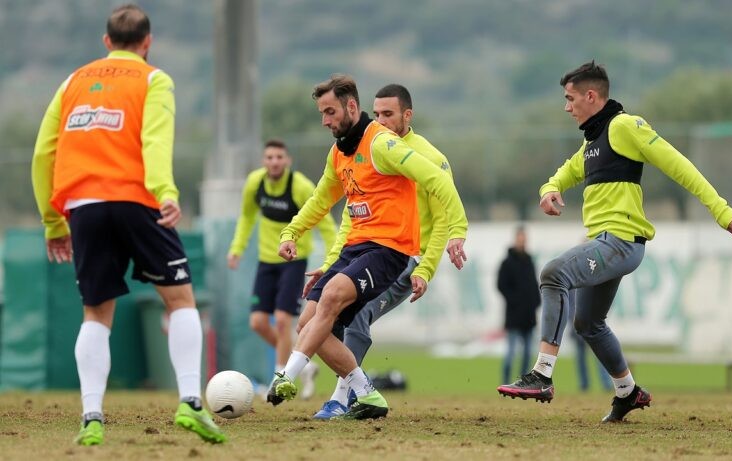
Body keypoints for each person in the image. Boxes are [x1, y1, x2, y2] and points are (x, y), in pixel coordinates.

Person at [496, 61, 732, 423]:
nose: (567, 107)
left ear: (591, 96)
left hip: (620, 242)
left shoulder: (625, 126)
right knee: (588, 323)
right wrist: (549, 189)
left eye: (570, 98)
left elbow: (679, 165)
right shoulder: (592, 142)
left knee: (553, 274)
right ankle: (628, 392)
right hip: (605, 243)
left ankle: (542, 374)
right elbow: (563, 173)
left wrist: (720, 209)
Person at [30, 4, 225, 445]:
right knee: (180, 299)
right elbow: (154, 140)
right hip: (137, 200)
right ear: (147, 42)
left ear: (106, 42)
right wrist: (166, 191)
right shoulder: (154, 79)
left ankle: (92, 418)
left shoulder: (72, 82)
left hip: (84, 207)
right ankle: (190, 402)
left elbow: (43, 153)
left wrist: (52, 220)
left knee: (96, 313)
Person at [271, 74, 468, 420]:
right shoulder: (340, 152)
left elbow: (438, 186)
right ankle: (366, 392)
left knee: (340, 303)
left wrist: (453, 235)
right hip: (355, 249)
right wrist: (294, 235)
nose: (325, 121)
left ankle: (295, 379)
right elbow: (329, 203)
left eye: (330, 112)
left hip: (395, 252)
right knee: (308, 323)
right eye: (321, 113)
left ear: (351, 107)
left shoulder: (387, 146)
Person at [227, 139, 336, 399]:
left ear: (287, 161)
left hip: (293, 261)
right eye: (270, 157)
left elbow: (325, 222)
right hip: (266, 260)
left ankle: (279, 379)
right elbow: (247, 217)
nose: (274, 162)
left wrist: (334, 257)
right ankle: (301, 364)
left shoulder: (300, 187)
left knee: (283, 320)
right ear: (263, 161)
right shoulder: (254, 183)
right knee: (257, 322)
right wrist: (236, 248)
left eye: (279, 157)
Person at [497, 226, 540, 385]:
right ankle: (505, 382)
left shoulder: (529, 261)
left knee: (528, 354)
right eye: (520, 239)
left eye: (524, 239)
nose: (522, 242)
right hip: (514, 315)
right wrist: (515, 301)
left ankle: (522, 384)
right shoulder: (507, 263)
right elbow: (501, 285)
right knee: (510, 353)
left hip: (529, 316)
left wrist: (536, 302)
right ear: (515, 239)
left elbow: (534, 285)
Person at [568, 290, 612, 392]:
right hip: (581, 326)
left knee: (593, 357)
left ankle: (599, 384)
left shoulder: (572, 286)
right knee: (587, 357)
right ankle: (589, 384)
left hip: (589, 325)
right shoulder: (587, 284)